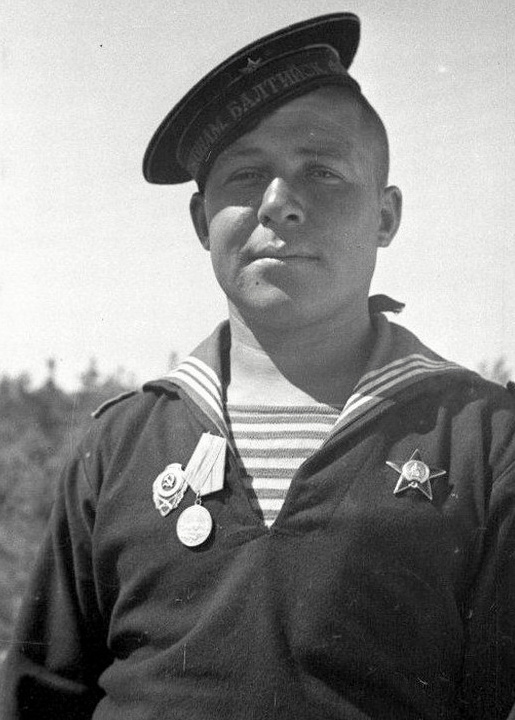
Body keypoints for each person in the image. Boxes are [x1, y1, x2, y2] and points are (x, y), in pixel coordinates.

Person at [2, 13, 515, 720]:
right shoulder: (117, 445)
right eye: (246, 175)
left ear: (385, 216)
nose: (279, 204)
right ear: (201, 221)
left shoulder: (487, 441)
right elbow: (41, 694)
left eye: (322, 172)